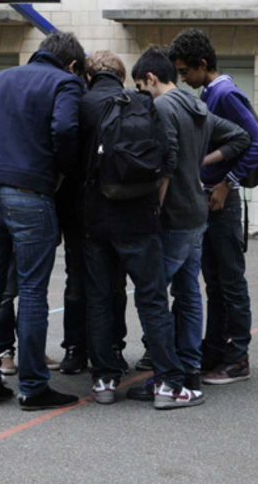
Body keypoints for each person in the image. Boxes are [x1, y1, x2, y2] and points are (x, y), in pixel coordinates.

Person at [77, 49, 203, 410]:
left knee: (101, 298)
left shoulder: (83, 105)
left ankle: (103, 379)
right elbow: (167, 161)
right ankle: (169, 384)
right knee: (152, 299)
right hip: (138, 219)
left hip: (96, 218)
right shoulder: (142, 105)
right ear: (121, 76)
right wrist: (155, 205)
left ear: (88, 75)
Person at [0, 31, 86, 411]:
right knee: (33, 291)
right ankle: (34, 388)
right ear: (72, 64)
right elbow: (67, 129)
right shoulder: (64, 82)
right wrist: (60, 173)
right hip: (32, 192)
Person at [126, 47, 250, 400]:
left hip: (174, 216)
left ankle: (168, 373)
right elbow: (240, 137)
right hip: (197, 213)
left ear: (151, 78)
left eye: (140, 86)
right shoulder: (196, 105)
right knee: (188, 292)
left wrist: (154, 209)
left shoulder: (163, 107)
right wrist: (200, 163)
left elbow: (166, 164)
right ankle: (190, 369)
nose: (140, 95)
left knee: (151, 294)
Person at [168, 29, 258, 385]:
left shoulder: (224, 94)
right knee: (213, 281)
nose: (183, 79)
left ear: (203, 65)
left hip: (221, 200)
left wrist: (229, 183)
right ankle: (214, 348)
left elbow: (257, 143)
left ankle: (238, 356)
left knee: (230, 281)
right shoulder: (211, 93)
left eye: (185, 72)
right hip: (208, 199)